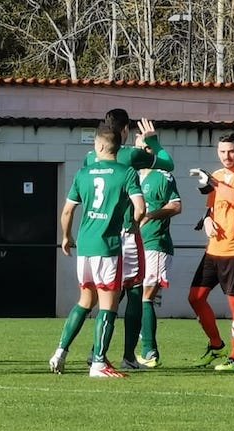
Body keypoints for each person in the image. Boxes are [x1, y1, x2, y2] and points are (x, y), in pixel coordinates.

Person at [49, 123, 145, 378]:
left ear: (100, 145)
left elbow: (68, 211)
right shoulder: (127, 173)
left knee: (85, 300)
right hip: (109, 246)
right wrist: (133, 222)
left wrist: (66, 237)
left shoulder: (83, 173)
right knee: (108, 306)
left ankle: (60, 352)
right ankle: (99, 363)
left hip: (85, 246)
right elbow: (141, 207)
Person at [82, 108, 175, 370]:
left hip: (99, 235)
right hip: (127, 232)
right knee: (134, 293)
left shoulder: (90, 158)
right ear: (125, 131)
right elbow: (168, 163)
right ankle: (128, 357)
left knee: (100, 297)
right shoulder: (130, 154)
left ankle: (92, 352)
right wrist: (152, 140)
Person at [188, 133, 234, 371]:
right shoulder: (217, 176)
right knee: (195, 298)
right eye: (221, 152)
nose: (226, 156)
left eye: (230, 151)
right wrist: (207, 221)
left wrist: (213, 181)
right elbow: (211, 208)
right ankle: (216, 344)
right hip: (214, 250)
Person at [134, 164, 181, 368]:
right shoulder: (130, 175)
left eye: (147, 147)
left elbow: (176, 206)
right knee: (134, 296)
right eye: (139, 147)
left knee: (147, 296)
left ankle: (149, 351)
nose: (143, 152)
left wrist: (150, 215)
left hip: (156, 243)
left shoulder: (162, 177)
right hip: (133, 244)